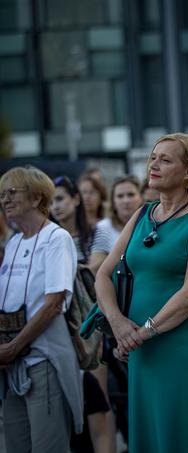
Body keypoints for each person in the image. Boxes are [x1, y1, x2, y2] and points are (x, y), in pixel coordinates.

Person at [95, 133, 188, 453]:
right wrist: (119, 324)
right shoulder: (142, 214)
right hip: (142, 346)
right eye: (153, 157)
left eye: (165, 160)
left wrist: (142, 332)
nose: (153, 165)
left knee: (186, 434)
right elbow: (103, 275)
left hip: (184, 345)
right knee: (152, 433)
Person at [0, 166, 83, 452]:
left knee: (49, 447)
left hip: (42, 359)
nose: (5, 200)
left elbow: (54, 304)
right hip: (11, 364)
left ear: (36, 199)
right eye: (2, 194)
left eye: (12, 192)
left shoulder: (56, 239)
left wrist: (14, 347)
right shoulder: (12, 243)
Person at [51, 176, 111, 274]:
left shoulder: (96, 232)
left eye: (60, 199)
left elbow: (93, 270)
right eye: (50, 203)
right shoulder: (49, 238)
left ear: (76, 199)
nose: (55, 206)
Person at [96, 175, 144, 250]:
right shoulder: (104, 227)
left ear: (141, 198)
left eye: (131, 195)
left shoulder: (151, 225)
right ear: (113, 202)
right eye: (120, 196)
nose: (126, 201)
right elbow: (97, 261)